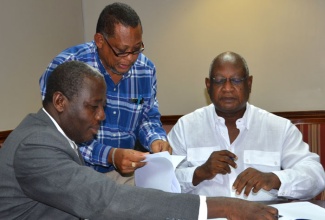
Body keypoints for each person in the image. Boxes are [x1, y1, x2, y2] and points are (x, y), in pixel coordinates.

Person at [0, 61, 278, 219]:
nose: (101, 116)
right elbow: (105, 200)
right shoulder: (35, 145)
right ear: (60, 101)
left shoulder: (47, 134)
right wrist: (225, 206)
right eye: (93, 106)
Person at [39, 2, 170, 182]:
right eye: (121, 51)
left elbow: (147, 116)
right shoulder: (66, 67)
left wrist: (156, 139)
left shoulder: (145, 70)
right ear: (100, 40)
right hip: (75, 173)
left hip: (125, 173)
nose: (131, 58)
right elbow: (59, 132)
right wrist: (110, 155)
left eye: (137, 49)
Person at [168, 51, 325, 201]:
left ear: (249, 83)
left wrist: (274, 179)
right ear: (208, 85)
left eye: (236, 80)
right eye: (219, 80)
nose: (228, 88)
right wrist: (199, 173)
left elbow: (315, 176)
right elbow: (163, 182)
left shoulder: (279, 128)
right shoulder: (185, 127)